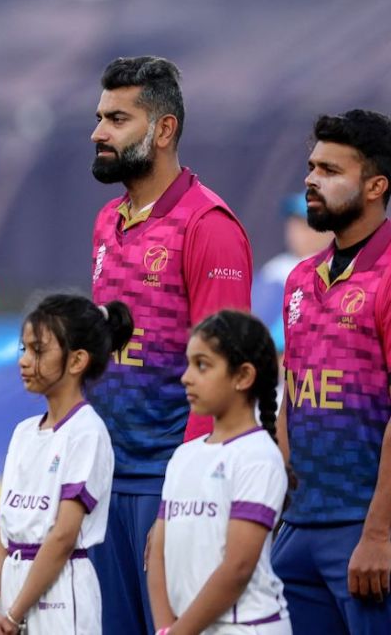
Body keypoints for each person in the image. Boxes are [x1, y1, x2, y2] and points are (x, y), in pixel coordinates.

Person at [87, 56, 253, 633]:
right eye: (99, 117)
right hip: (104, 483)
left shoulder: (208, 226)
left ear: (163, 130)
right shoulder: (109, 220)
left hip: (169, 485)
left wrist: (184, 499)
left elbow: (226, 380)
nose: (98, 133)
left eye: (116, 119)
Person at [272, 109, 391, 634]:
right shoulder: (300, 277)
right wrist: (279, 510)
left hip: (365, 536)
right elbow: (291, 395)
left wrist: (380, 533)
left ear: (374, 186)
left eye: (329, 170)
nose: (310, 180)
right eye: (311, 167)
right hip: (299, 530)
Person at [0, 294, 128, 635]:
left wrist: (14, 615)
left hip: (62, 599)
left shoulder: (87, 432)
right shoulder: (22, 433)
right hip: (11, 598)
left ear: (77, 361)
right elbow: (0, 532)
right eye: (23, 350)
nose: (24, 361)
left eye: (38, 350)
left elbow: (63, 537)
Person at [147, 311, 289, 635]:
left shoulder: (259, 456)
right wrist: (165, 628)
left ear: (243, 376)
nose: (185, 377)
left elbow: (238, 568)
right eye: (187, 364)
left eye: (202, 365)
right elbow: (158, 552)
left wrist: (181, 632)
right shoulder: (184, 455)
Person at [251, 193, 332, 348]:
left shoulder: (336, 269)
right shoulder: (277, 265)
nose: (297, 230)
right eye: (294, 221)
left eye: (307, 223)